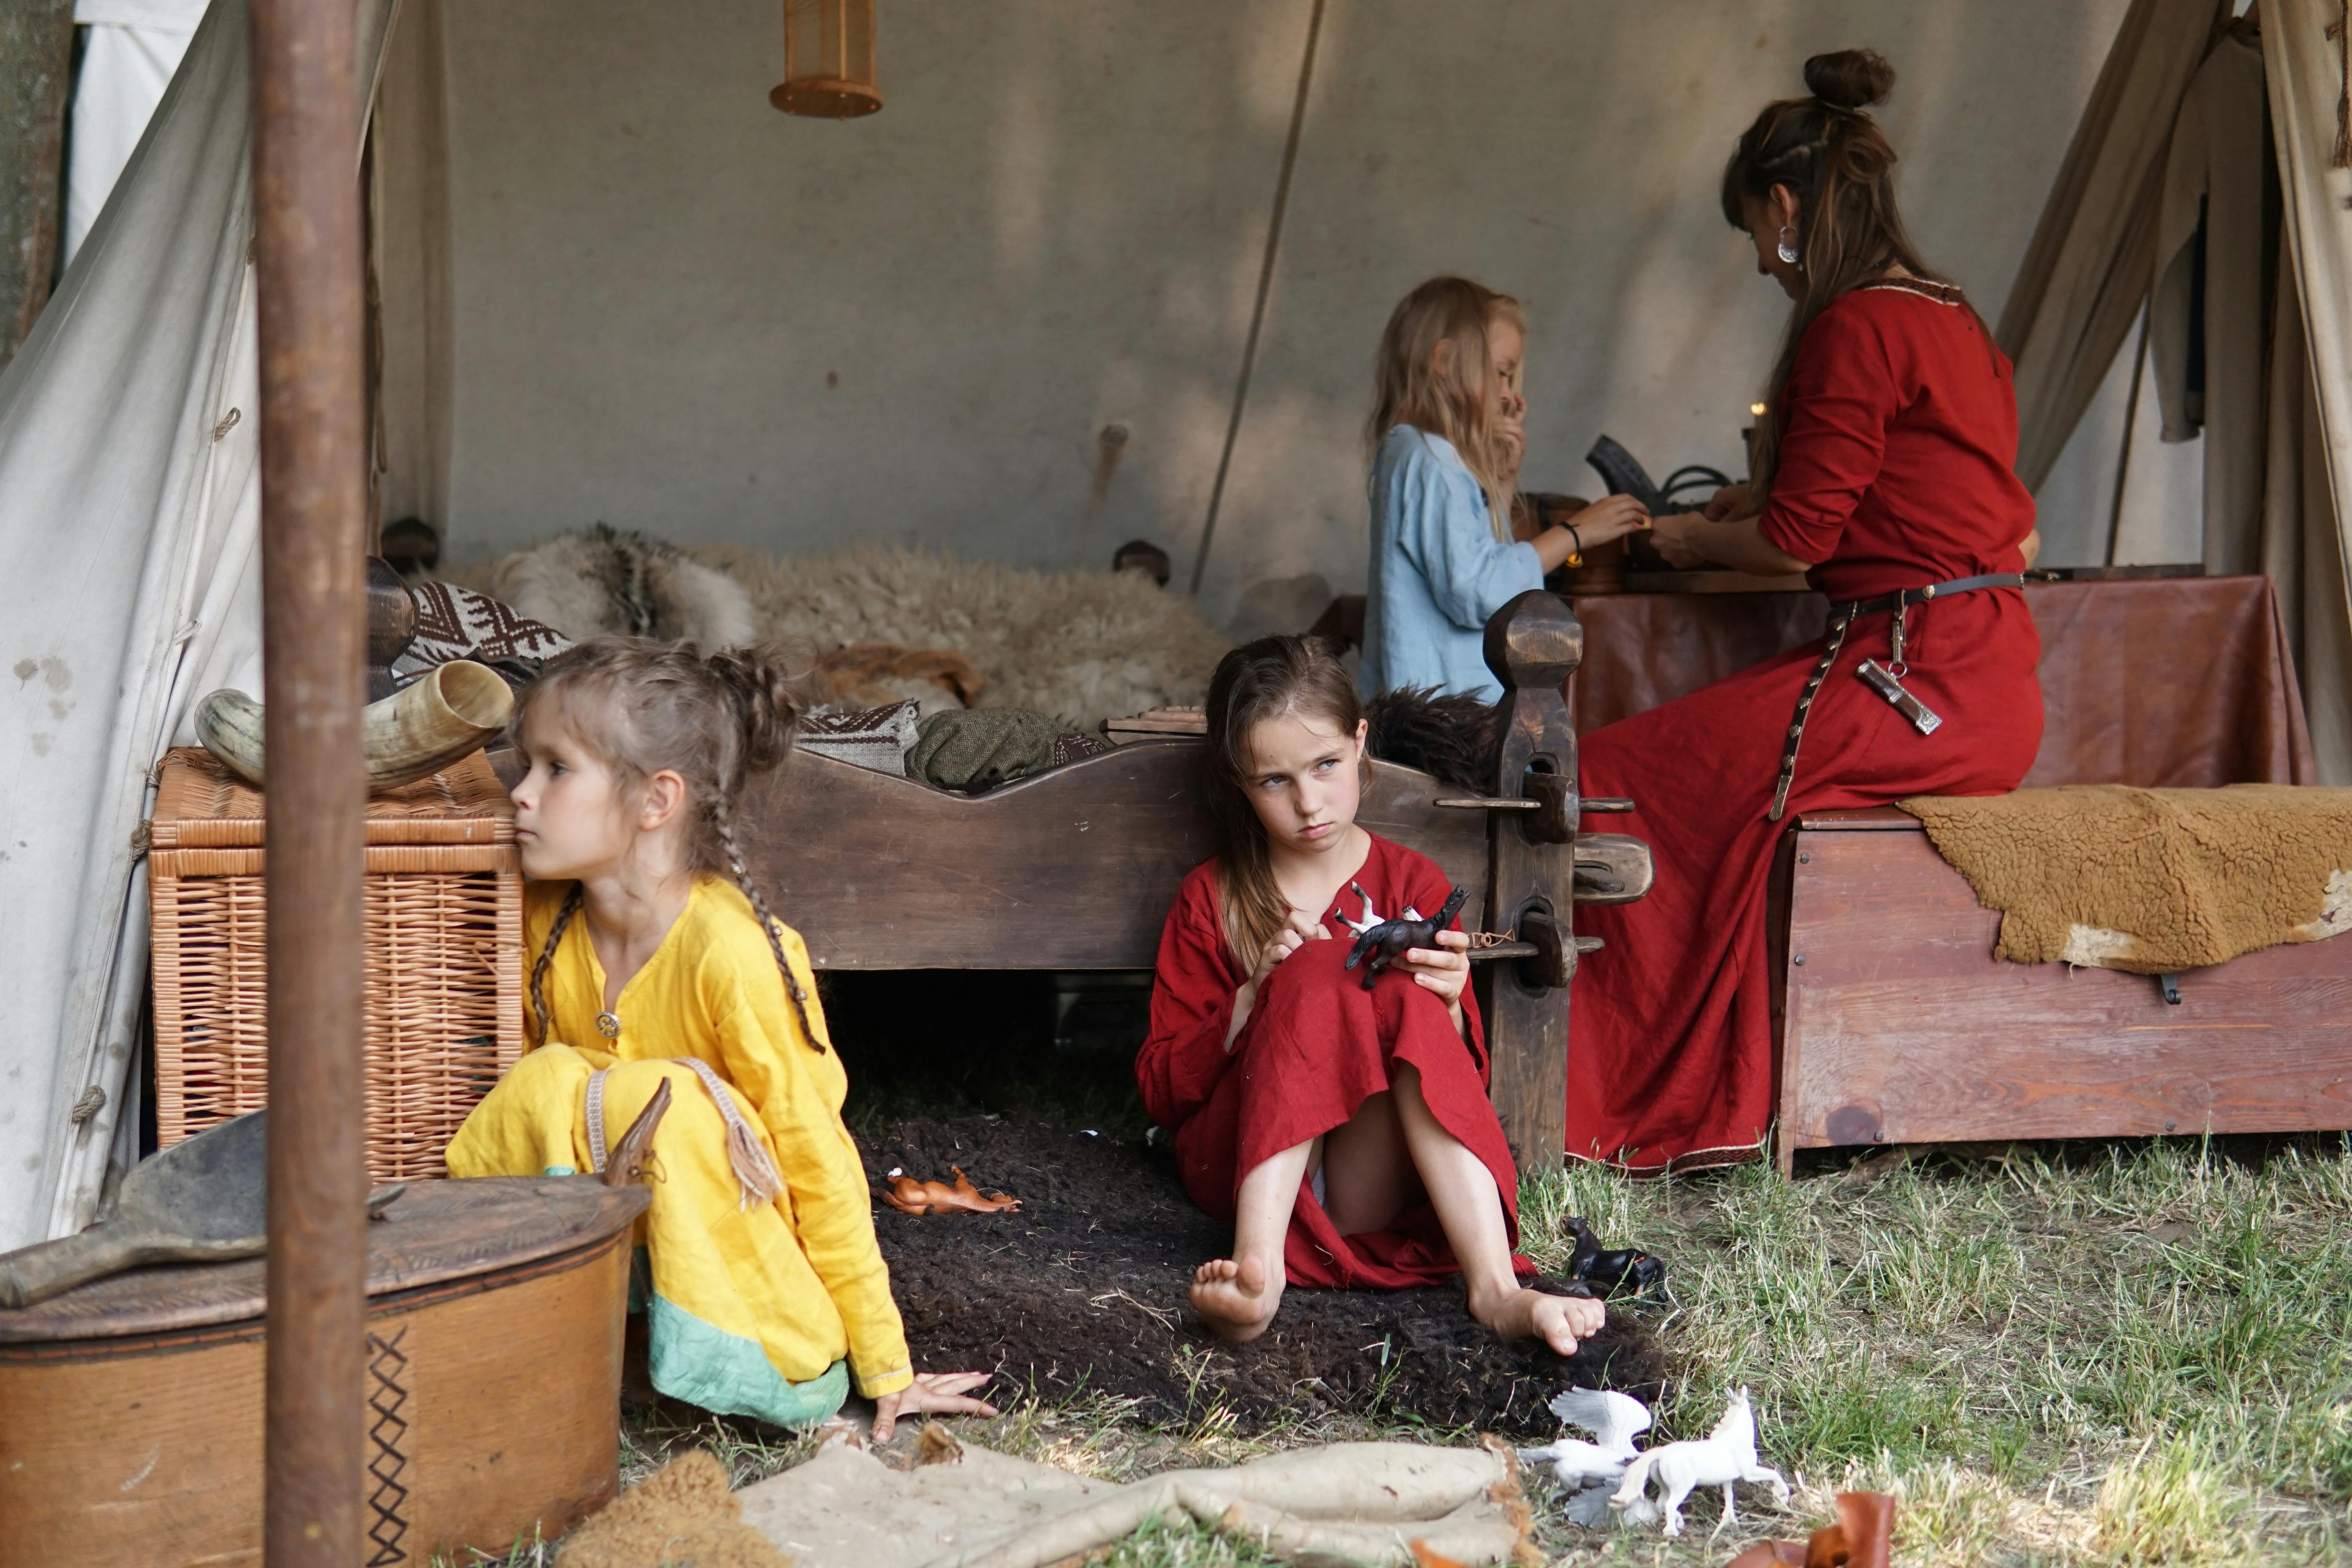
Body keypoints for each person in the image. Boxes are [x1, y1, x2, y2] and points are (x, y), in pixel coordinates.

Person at [1567, 49, 2044, 1168]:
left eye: (1755, 241)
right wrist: (1769, 493)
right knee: (1676, 780)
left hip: (1911, 680)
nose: (1764, 269)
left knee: (1617, 782)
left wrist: (1682, 533)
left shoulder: (1852, 325)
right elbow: (1917, 495)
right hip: (1982, 677)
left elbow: (1797, 543)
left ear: (1786, 209)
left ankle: (1626, 1088)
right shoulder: (1953, 315)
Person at [445, 637, 993, 1439]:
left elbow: (817, 1157)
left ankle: (701, 1355)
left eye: (556, 768)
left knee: (659, 1098)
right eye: (525, 766)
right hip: (592, 1255)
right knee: (549, 1078)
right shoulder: (541, 924)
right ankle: (564, 1334)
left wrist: (887, 1366)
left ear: (655, 800)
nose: (520, 794)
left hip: (727, 1265)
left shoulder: (732, 953)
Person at [1136, 634, 1607, 1353]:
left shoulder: (1412, 881)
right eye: (1274, 782)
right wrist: (1247, 1003)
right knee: (1313, 971)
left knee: (1383, 980)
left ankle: (1498, 1290)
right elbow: (1164, 1095)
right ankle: (1257, 1274)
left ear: (1360, 742)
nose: (1309, 803)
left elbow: (1461, 1086)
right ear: (1239, 782)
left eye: (1326, 766)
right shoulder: (1212, 898)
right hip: (1254, 1176)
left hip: (1371, 1174)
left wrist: (1449, 1004)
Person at [1360, 276, 1649, 702]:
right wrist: (1575, 533)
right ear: (1443, 360)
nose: (1507, 394)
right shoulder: (1431, 459)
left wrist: (1499, 484)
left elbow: (1468, 562)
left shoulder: (1409, 451)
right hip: (1442, 712)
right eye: (1501, 373)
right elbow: (1477, 591)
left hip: (1424, 704)